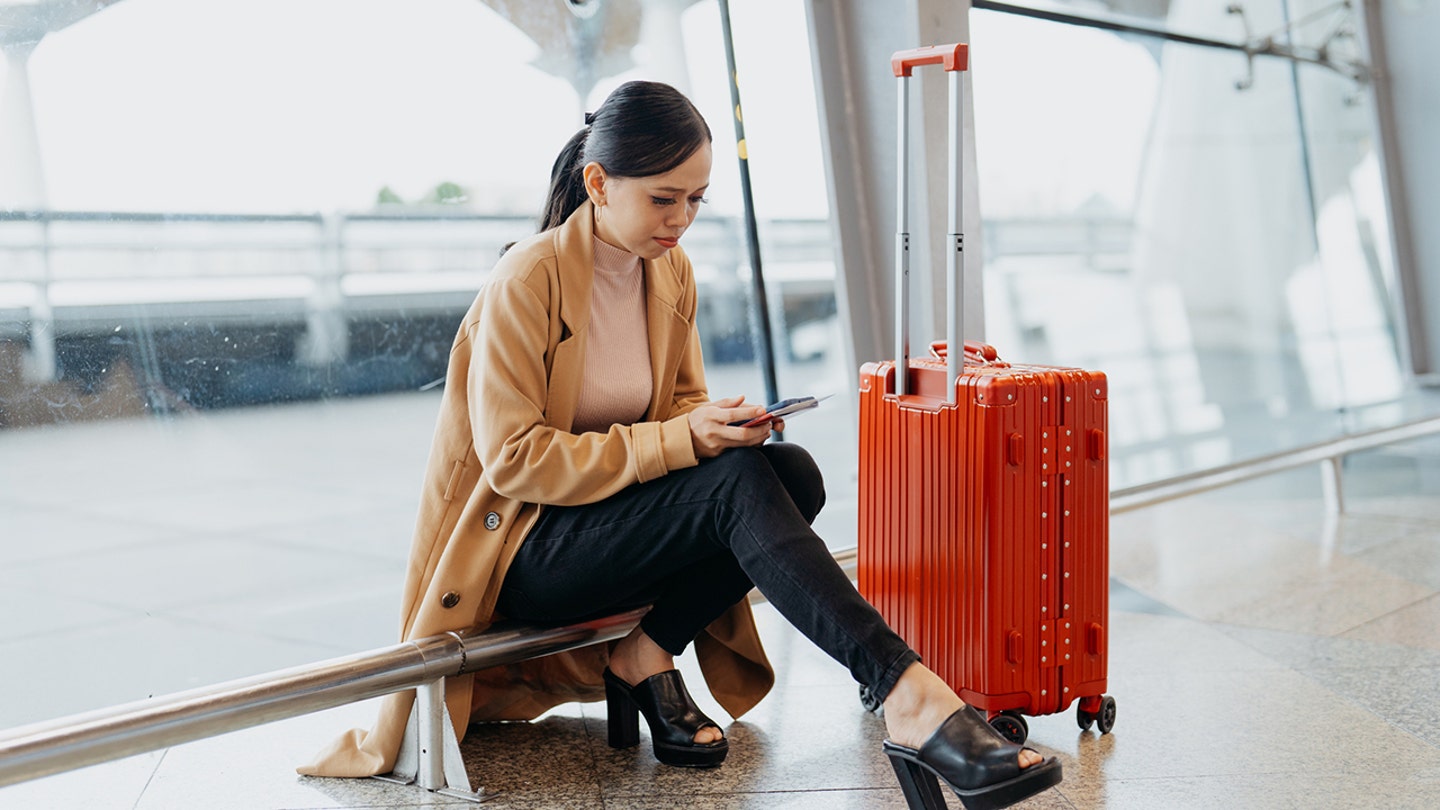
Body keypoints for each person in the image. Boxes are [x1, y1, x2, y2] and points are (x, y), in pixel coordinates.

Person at [300, 80, 1060, 810]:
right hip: (527, 551)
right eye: (663, 198)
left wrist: (721, 424)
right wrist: (677, 440)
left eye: (696, 199)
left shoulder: (668, 272)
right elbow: (516, 459)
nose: (682, 219)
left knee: (787, 471)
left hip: (613, 526)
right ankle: (909, 695)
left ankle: (645, 652)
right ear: (598, 182)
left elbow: (680, 405)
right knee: (737, 487)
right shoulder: (525, 281)